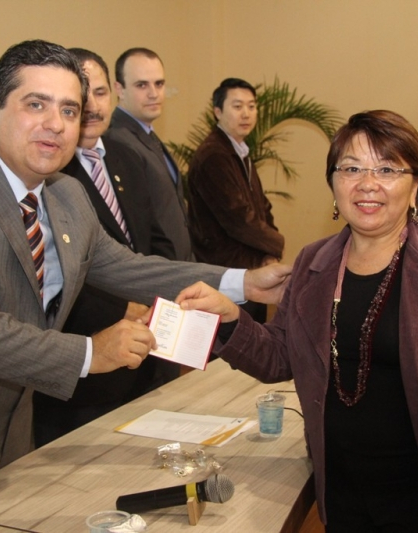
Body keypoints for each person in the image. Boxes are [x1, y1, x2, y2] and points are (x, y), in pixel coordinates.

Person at [0, 40, 291, 533]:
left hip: (4, 444)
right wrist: (90, 353)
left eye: (69, 109)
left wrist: (244, 282)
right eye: (36, 104)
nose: (56, 123)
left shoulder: (65, 194)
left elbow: (127, 267)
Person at [177, 110, 418, 532]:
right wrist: (230, 319)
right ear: (333, 183)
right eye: (351, 168)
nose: (367, 183)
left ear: (415, 184)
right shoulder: (314, 263)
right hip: (340, 493)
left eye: (387, 169)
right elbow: (280, 356)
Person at [33, 48, 179, 447]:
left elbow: (154, 242)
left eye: (100, 93)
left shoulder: (126, 157)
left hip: (146, 353)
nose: (93, 107)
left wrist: (157, 299)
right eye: (82, 98)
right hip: (84, 379)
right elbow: (54, 277)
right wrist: (123, 308)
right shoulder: (49, 171)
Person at [186, 78, 284, 323]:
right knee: (235, 340)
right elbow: (238, 219)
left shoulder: (239, 151)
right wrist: (276, 244)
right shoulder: (214, 155)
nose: (246, 114)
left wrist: (268, 254)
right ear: (218, 112)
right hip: (226, 272)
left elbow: (262, 207)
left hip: (249, 265)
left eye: (251, 106)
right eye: (238, 106)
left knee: (255, 337)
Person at [104, 48, 193, 261]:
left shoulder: (147, 133)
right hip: (158, 267)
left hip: (179, 263)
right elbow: (139, 222)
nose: (154, 93)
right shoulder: (118, 140)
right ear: (119, 89)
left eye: (159, 84)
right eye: (142, 85)